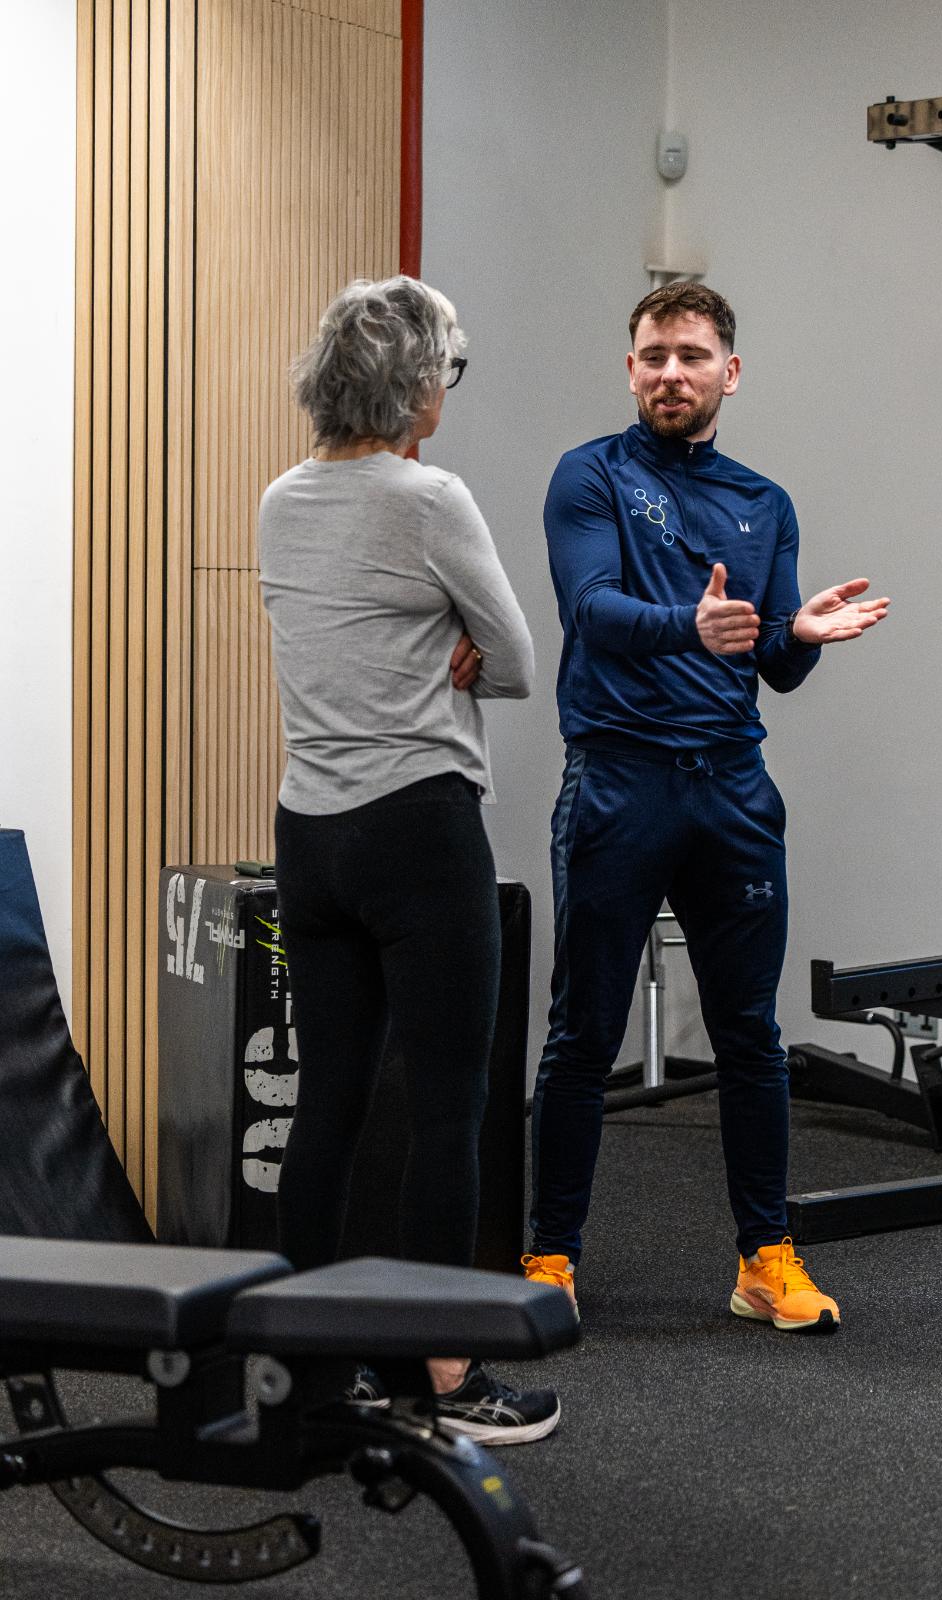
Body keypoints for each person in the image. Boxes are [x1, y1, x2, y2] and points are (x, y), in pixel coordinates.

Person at [521, 280, 889, 1331]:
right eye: (651, 355)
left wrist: (798, 636)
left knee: (748, 1034)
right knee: (580, 1032)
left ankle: (763, 1257)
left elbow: (766, 661)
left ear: (730, 370)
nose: (669, 373)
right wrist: (696, 626)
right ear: (628, 369)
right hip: (617, 782)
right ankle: (549, 1259)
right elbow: (591, 610)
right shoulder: (586, 476)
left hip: (730, 788)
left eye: (689, 355)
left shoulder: (762, 503)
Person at [259, 275, 559, 1442]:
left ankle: (299, 1368)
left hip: (309, 835)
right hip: (417, 831)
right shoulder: (430, 498)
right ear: (413, 385)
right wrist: (466, 650)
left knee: (329, 1101)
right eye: (451, 367)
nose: (450, 388)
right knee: (449, 1107)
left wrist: (451, 643)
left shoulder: (281, 497)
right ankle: (445, 1376)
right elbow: (521, 660)